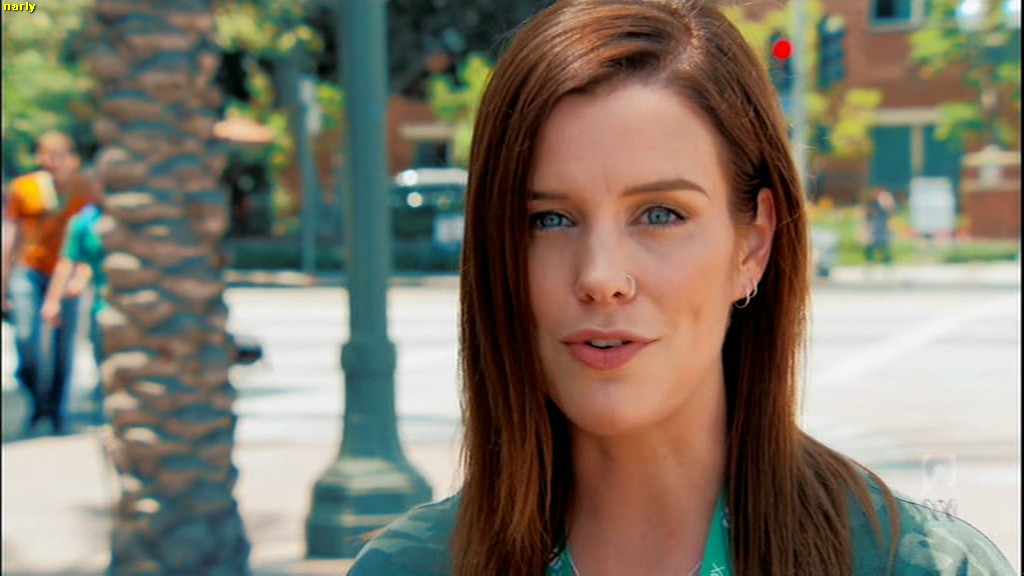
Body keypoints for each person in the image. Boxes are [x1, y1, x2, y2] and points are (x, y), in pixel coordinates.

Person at [349, 1, 1015, 575]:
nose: (600, 277)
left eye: (661, 214)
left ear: (752, 244)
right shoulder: (410, 567)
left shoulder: (916, 564)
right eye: (548, 219)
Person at [2, 131, 92, 435]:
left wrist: (82, 274)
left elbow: (90, 234)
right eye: (46, 154)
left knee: (63, 343)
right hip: (28, 269)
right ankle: (37, 401)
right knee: (27, 337)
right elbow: (13, 233)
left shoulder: (84, 188)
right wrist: (4, 277)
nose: (52, 161)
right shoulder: (24, 188)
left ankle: (56, 409)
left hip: (67, 273)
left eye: (59, 155)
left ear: (73, 159)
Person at [41, 147, 130, 425]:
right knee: (103, 359)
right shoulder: (83, 222)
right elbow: (70, 262)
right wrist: (53, 300)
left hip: (135, 306)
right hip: (103, 305)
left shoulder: (133, 217)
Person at [864, 186, 895, 265]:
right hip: (874, 228)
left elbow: (891, 216)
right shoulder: (872, 205)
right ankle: (870, 261)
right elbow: (868, 217)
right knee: (871, 244)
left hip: (883, 229)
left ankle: (887, 261)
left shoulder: (886, 206)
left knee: (884, 244)